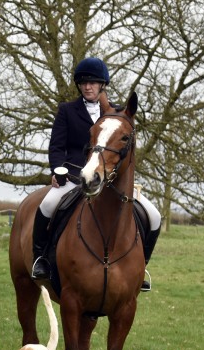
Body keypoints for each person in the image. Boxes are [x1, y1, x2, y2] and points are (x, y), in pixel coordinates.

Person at [30, 56, 161, 291]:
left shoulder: (114, 115)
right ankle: (41, 260)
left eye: (92, 82)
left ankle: (140, 267)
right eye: (83, 83)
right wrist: (57, 170)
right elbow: (57, 147)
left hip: (110, 181)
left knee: (154, 216)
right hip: (74, 178)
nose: (87, 87)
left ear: (102, 85)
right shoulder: (67, 111)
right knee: (47, 205)